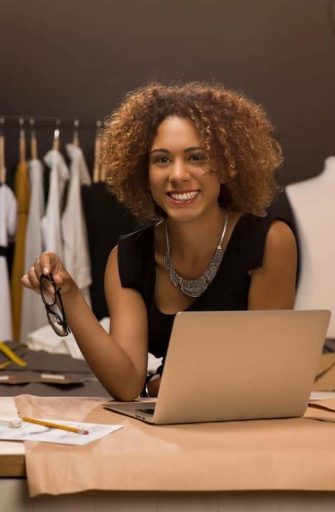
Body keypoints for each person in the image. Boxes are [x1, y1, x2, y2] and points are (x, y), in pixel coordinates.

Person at [22, 82, 297, 401]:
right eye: (162, 160)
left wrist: (160, 384)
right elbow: (125, 385)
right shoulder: (128, 258)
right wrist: (68, 294)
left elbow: (265, 373)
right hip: (167, 433)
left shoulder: (268, 243)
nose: (178, 174)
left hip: (245, 429)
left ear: (227, 167)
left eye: (196, 157)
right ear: (144, 173)